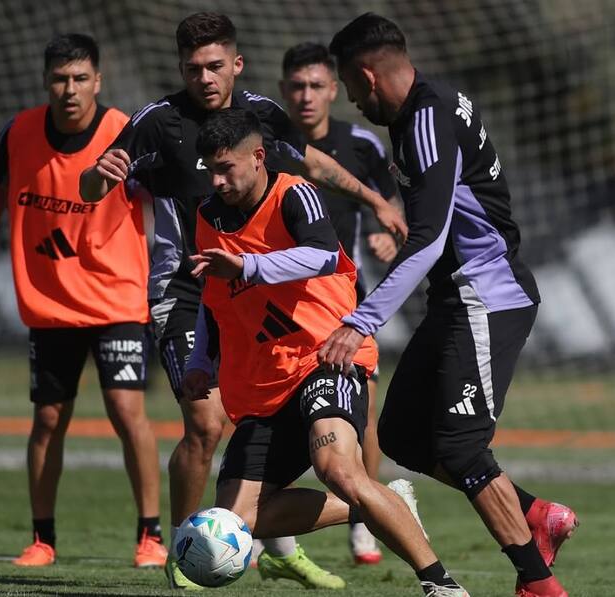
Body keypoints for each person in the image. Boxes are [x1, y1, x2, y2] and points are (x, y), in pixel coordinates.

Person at [80, 12, 407, 591]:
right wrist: (95, 179)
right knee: (206, 423)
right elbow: (96, 184)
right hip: (185, 292)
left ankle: (275, 546)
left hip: (256, 290)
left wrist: (376, 200)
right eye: (192, 68)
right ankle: (182, 545)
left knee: (263, 421)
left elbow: (311, 162)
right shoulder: (155, 123)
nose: (203, 78)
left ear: (236, 64)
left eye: (213, 66)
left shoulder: (264, 116)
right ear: (180, 69)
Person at [320, 13, 577, 597]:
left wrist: (361, 319)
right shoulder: (430, 105)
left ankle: (538, 584)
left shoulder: (426, 117)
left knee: (460, 445)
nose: (354, 101)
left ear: (366, 74)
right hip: (455, 297)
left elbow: (431, 235)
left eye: (351, 88)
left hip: (486, 295)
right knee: (405, 435)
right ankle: (536, 515)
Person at [181, 107, 470, 597]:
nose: (217, 179)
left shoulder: (295, 193)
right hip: (260, 383)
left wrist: (247, 266)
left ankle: (440, 584)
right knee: (237, 521)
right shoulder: (207, 215)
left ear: (257, 157)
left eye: (225, 167)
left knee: (338, 469)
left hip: (323, 356)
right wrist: (199, 361)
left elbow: (319, 254)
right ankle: (379, 502)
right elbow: (212, 300)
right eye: (209, 168)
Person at [0, 34, 167, 569]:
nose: (69, 90)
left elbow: (165, 197)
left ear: (98, 81)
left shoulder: (127, 132)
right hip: (50, 302)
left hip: (116, 295)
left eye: (79, 79)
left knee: (126, 410)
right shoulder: (20, 131)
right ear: (46, 81)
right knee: (49, 418)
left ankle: (150, 534)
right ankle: (42, 539)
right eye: (59, 79)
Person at [275, 41, 406, 565]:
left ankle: (366, 517)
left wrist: (390, 238)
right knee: (269, 416)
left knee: (363, 416)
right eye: (296, 86)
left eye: (316, 86)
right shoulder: (264, 142)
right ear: (284, 91)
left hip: (338, 306)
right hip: (272, 307)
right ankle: (276, 527)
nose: (306, 96)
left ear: (334, 89)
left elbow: (391, 201)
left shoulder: (360, 146)